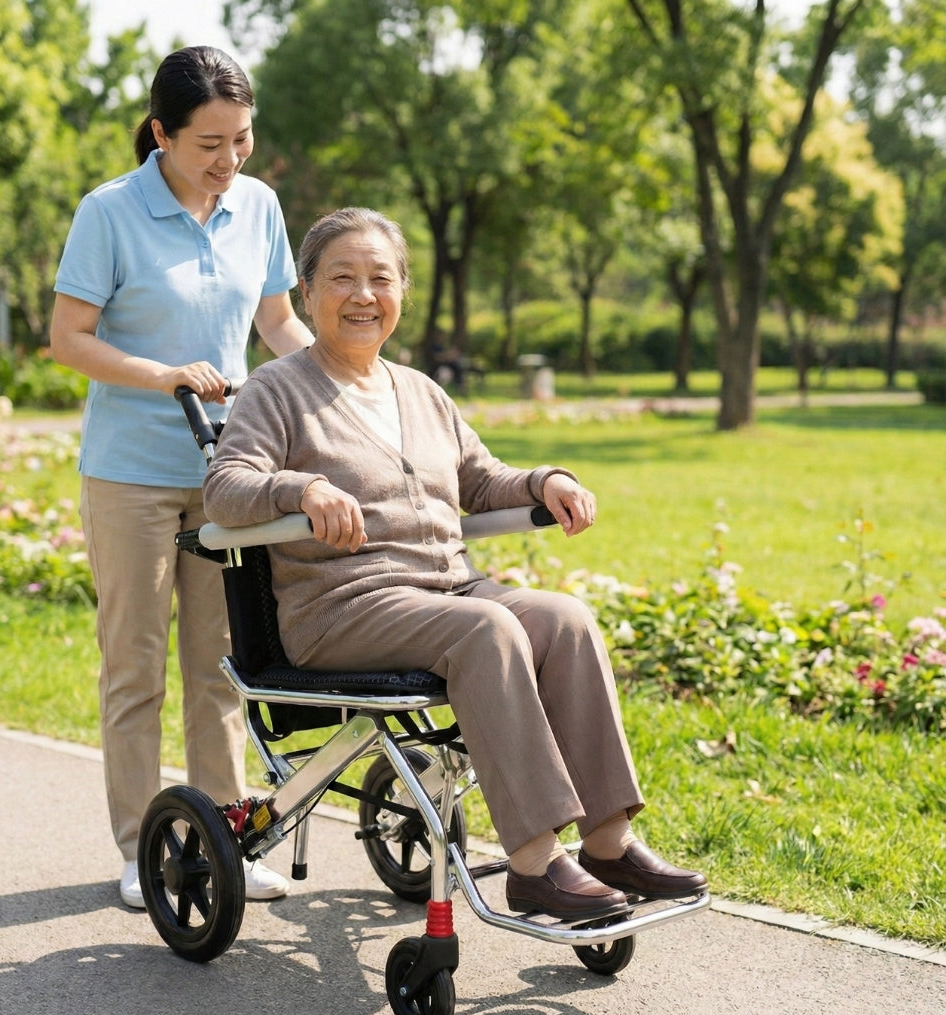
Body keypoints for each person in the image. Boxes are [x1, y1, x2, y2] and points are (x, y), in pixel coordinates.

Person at [202, 208, 706, 921]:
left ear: (403, 290)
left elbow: (479, 478)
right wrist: (301, 487)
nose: (363, 295)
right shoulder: (277, 389)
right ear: (307, 293)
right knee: (487, 631)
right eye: (341, 278)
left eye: (381, 278)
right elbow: (224, 488)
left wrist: (542, 482)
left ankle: (608, 841)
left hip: (446, 591)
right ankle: (533, 864)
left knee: (565, 618)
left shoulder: (421, 392)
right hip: (344, 607)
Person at [50, 46, 313, 908]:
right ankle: (141, 847)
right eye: (208, 144)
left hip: (227, 467)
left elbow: (276, 320)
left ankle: (225, 835)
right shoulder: (110, 212)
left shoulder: (259, 206)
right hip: (130, 472)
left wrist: (347, 385)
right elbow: (70, 340)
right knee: (135, 666)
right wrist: (162, 372)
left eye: (241, 140)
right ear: (160, 134)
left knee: (223, 664)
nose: (227, 161)